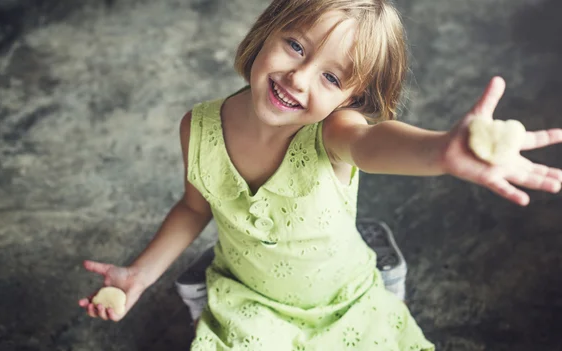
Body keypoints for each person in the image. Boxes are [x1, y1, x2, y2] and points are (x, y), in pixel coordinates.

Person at [78, 0, 562, 349]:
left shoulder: (335, 134)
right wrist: (138, 275)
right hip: (251, 303)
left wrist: (440, 151)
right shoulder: (198, 127)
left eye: (332, 77)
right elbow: (193, 206)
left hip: (344, 302)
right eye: (295, 46)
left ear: (349, 100)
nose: (299, 78)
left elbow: (375, 144)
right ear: (268, 29)